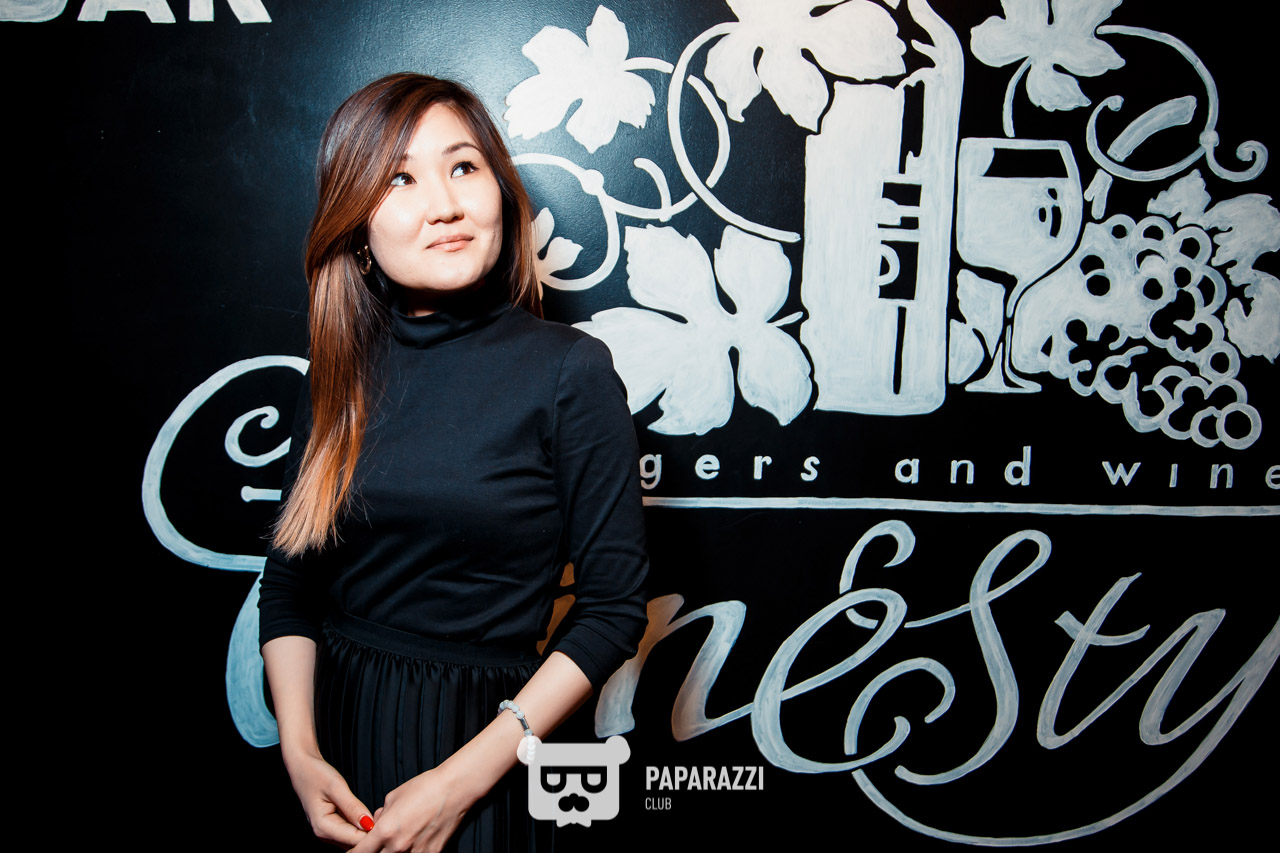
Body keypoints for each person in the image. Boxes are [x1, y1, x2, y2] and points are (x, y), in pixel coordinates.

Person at [258, 73, 649, 853]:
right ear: (357, 225)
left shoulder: (569, 372)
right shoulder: (339, 373)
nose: (445, 203)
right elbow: (290, 588)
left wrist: (460, 783)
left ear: (500, 190)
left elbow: (613, 610)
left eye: (463, 166)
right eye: (400, 179)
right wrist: (300, 754)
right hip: (337, 743)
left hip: (483, 752)